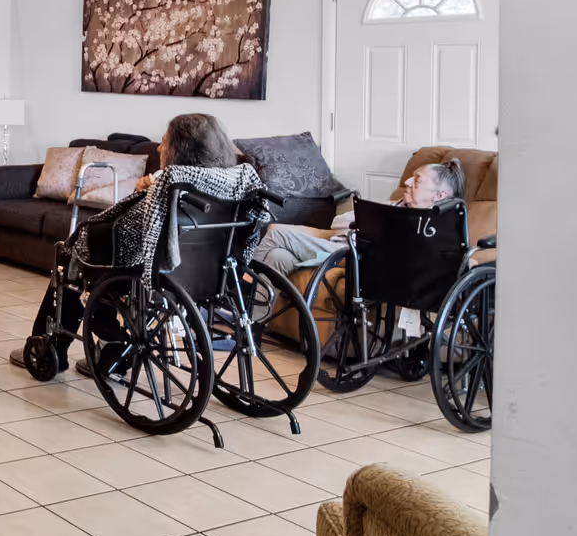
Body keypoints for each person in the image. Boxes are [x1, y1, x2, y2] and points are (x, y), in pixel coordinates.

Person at [41, 113, 268, 378]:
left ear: (181, 148)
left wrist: (141, 194)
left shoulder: (171, 183)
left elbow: (122, 226)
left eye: (164, 142)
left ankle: (57, 348)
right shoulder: (230, 181)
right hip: (211, 269)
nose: (159, 148)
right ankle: (110, 350)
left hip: (153, 268)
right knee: (100, 259)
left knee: (74, 258)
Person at [252, 160, 464, 278]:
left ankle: (238, 294)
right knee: (278, 257)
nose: (407, 181)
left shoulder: (437, 227)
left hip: (356, 259)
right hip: (338, 249)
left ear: (439, 196)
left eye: (417, 180)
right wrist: (364, 221)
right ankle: (252, 329)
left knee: (276, 232)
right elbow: (337, 223)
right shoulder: (394, 206)